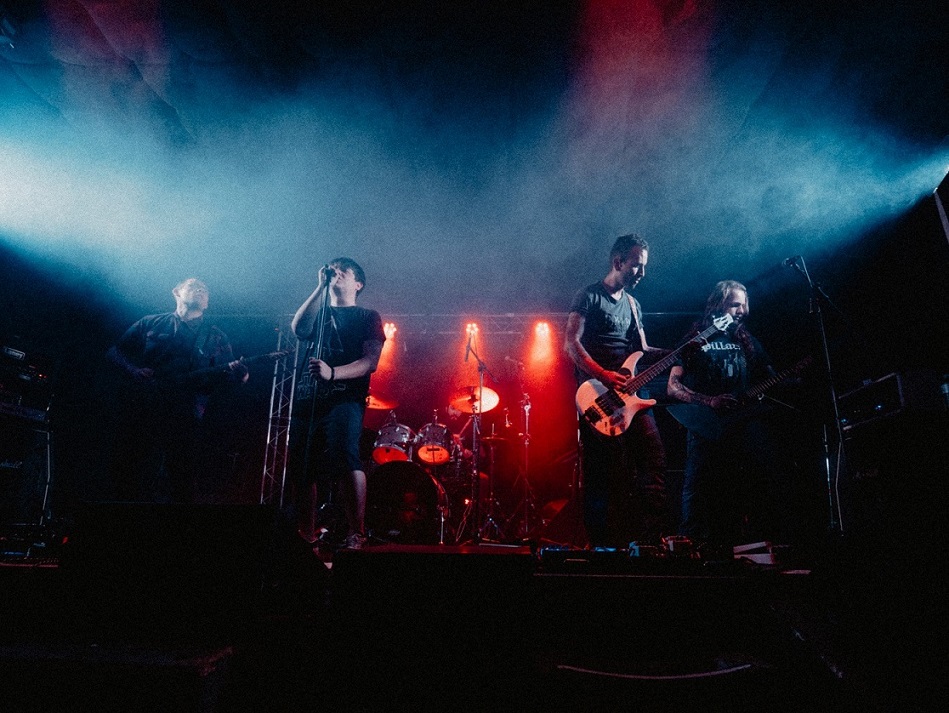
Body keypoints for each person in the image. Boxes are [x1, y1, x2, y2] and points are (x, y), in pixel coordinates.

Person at [666, 280, 788, 551]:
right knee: (697, 488)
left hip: (741, 425)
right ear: (718, 306)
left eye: (744, 305)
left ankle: (744, 546)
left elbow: (769, 378)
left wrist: (772, 386)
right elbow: (672, 387)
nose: (742, 311)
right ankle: (691, 547)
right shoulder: (695, 341)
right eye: (735, 305)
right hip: (705, 425)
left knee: (744, 485)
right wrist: (709, 401)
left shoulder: (748, 341)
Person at [564, 234, 668, 547]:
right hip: (598, 396)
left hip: (631, 393)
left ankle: (650, 541)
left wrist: (679, 352)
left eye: (644, 267)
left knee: (653, 461)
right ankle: (601, 546)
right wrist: (604, 375)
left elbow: (643, 350)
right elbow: (571, 344)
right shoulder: (589, 296)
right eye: (637, 266)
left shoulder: (634, 305)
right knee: (604, 473)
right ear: (618, 262)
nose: (642, 273)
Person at [107, 278, 249, 503]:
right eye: (194, 286)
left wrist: (242, 375)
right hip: (145, 409)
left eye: (205, 290)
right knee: (135, 473)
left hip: (187, 414)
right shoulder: (151, 322)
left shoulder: (215, 336)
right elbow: (115, 352)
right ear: (176, 292)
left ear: (207, 303)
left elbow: (229, 378)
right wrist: (134, 370)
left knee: (182, 477)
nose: (201, 291)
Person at [289, 258, 385, 550]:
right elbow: (299, 329)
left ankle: (357, 532)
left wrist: (333, 373)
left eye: (345, 269)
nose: (337, 271)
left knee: (345, 455)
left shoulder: (367, 316)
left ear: (359, 284)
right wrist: (320, 287)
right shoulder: (318, 312)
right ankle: (306, 535)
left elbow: (370, 362)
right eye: (334, 267)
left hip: (345, 398)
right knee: (303, 467)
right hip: (308, 399)